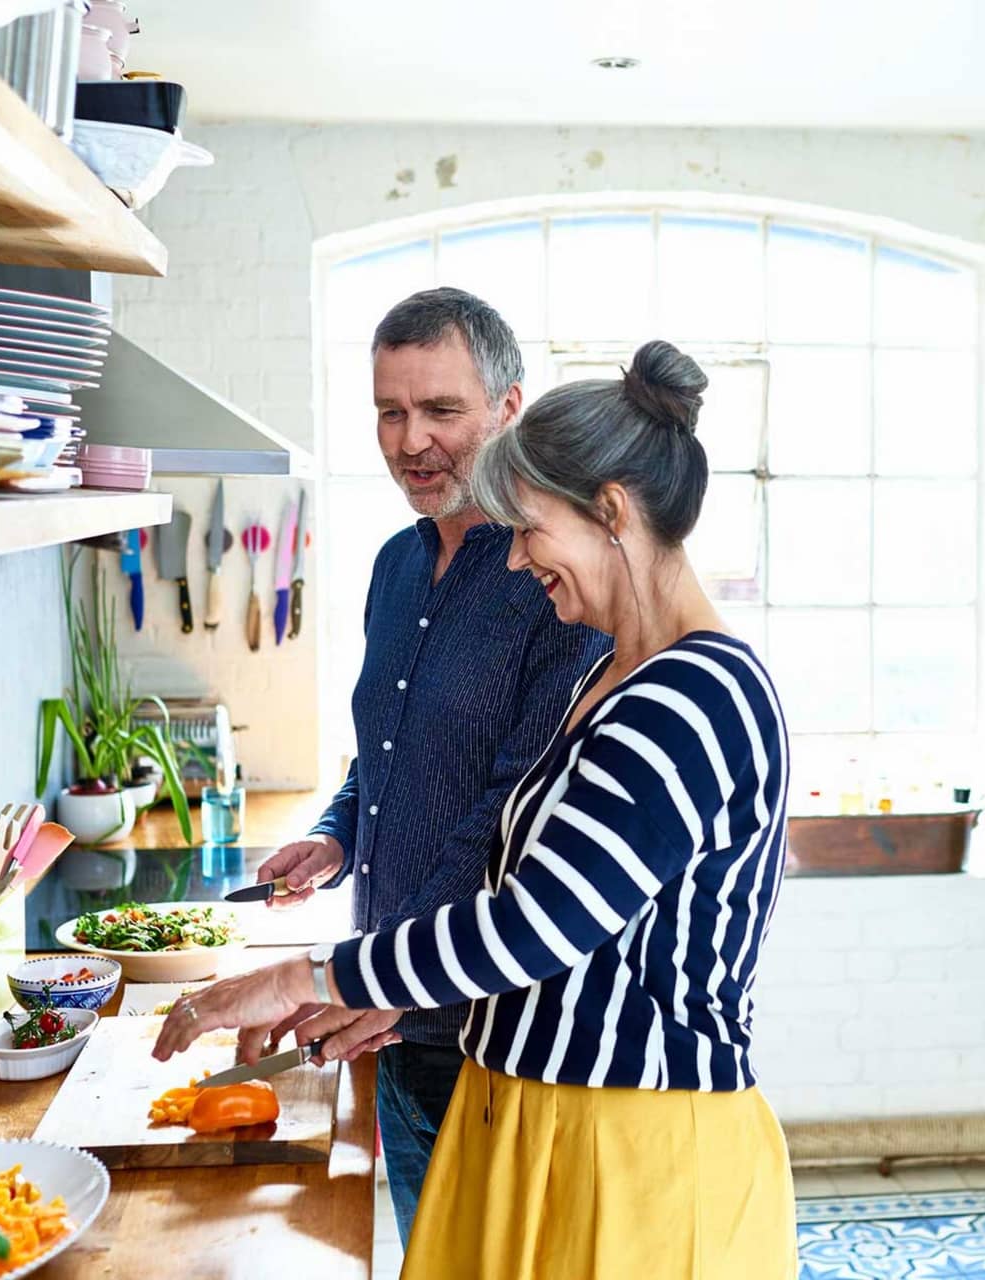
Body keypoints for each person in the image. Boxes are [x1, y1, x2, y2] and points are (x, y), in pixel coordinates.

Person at [156, 341, 797, 1278]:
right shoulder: (623, 673)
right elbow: (527, 884)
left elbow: (534, 926)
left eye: (533, 528)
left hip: (629, 1147)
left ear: (611, 512)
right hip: (545, 1118)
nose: (521, 555)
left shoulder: (694, 698)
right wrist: (390, 987)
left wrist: (308, 977)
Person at [255, 287, 606, 1246]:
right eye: (389, 410)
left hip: (494, 1042)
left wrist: (376, 979)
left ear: (508, 408)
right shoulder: (393, 567)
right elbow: (388, 753)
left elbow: (506, 816)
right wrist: (334, 835)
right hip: (393, 1025)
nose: (412, 440)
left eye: (441, 410)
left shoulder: (552, 584)